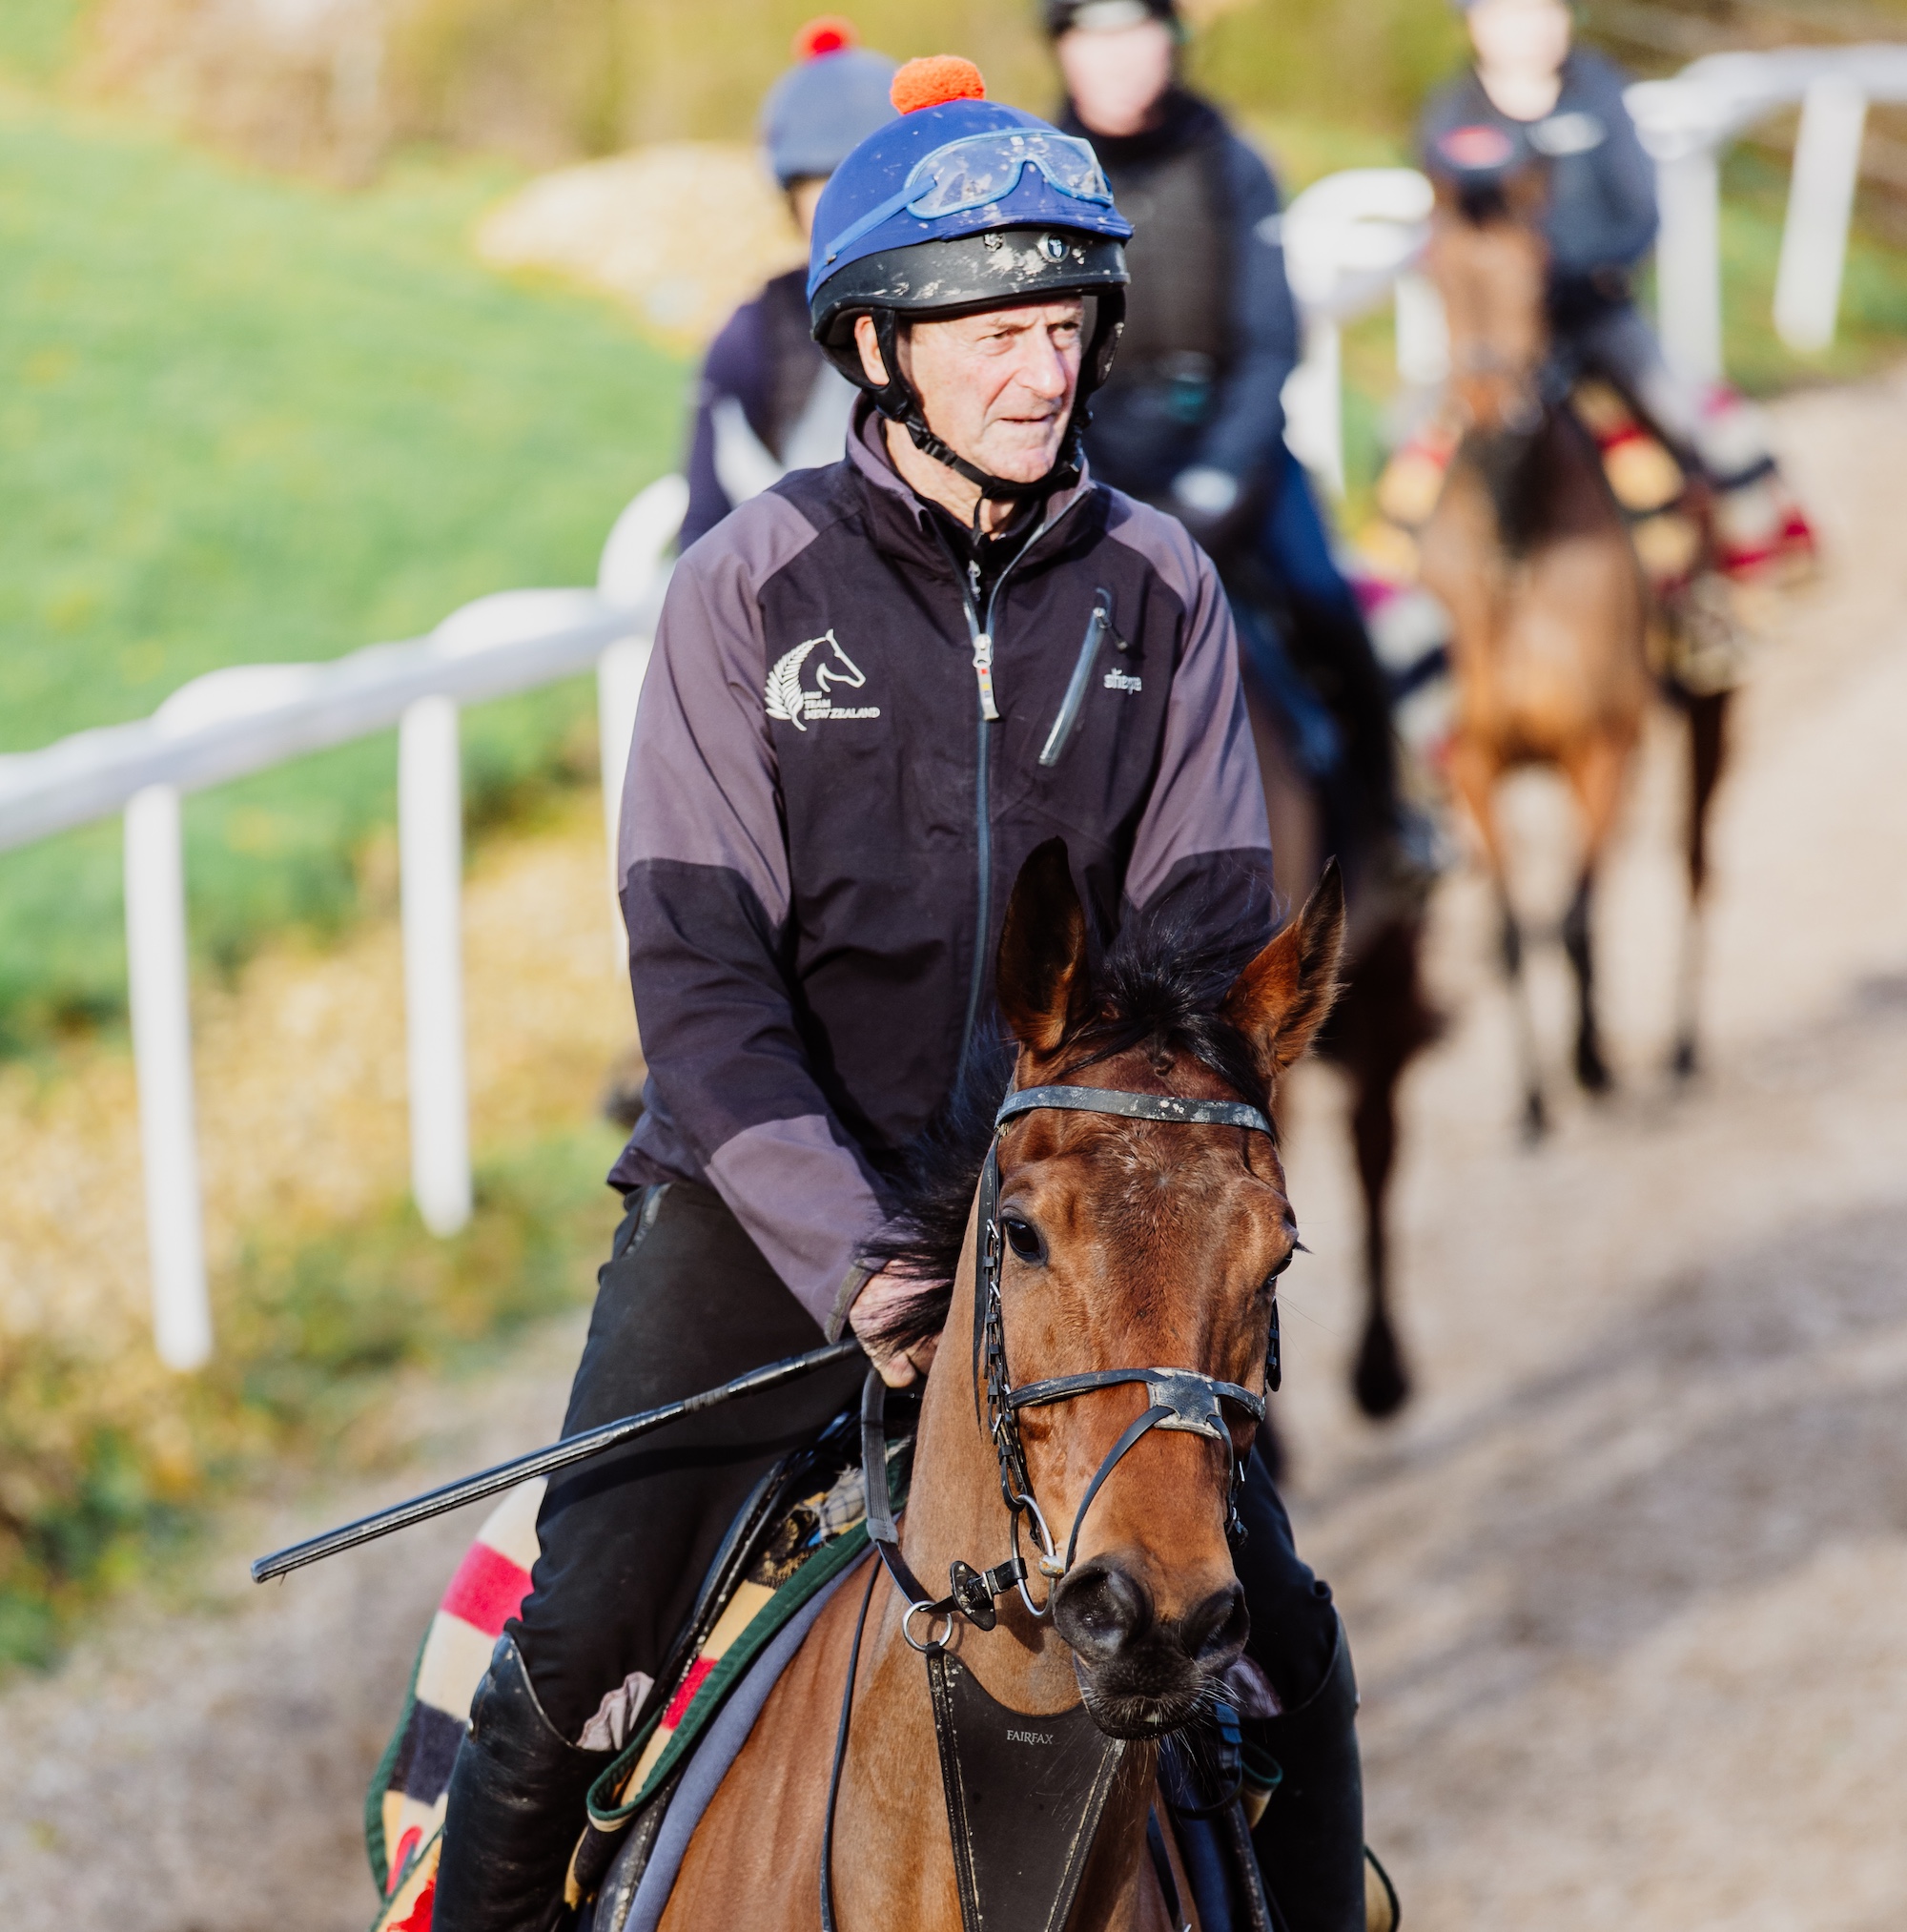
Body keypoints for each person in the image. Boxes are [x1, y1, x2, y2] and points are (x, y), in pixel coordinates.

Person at [433, 53, 1365, 1932]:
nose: (1044, 369)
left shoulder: (1161, 588)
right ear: (877, 345)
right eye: (998, 329)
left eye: (1065, 325)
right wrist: (862, 1252)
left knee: (1288, 1654)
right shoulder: (744, 589)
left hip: (1069, 1216)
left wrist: (1106, 1206)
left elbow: (1194, 976)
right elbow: (696, 977)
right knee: (587, 1627)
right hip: (764, 1204)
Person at [1046, 0, 1415, 902]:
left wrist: (1219, 477)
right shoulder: (1033, 175)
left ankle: (1394, 821)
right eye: (1095, 37)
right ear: (1062, 49)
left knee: (1327, 600)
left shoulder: (1232, 162)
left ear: (1171, 45)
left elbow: (1269, 340)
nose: (1120, 59)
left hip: (1231, 446)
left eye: (1138, 35)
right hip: (1091, 458)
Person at [1421, 0, 1814, 581]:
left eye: (1544, 12)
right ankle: (1410, 617)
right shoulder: (1450, 114)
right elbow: (1445, 222)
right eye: (1509, 14)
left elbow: (1640, 211)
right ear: (1476, 26)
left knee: (1696, 420)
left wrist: (1576, 269)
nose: (1530, 29)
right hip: (1501, 338)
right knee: (1409, 449)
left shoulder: (1599, 91)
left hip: (1596, 316)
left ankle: (1737, 571)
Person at [678, 18, 899, 552]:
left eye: (868, 182)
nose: (846, 208)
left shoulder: (963, 310)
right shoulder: (751, 336)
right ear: (791, 195)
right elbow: (704, 527)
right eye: (823, 183)